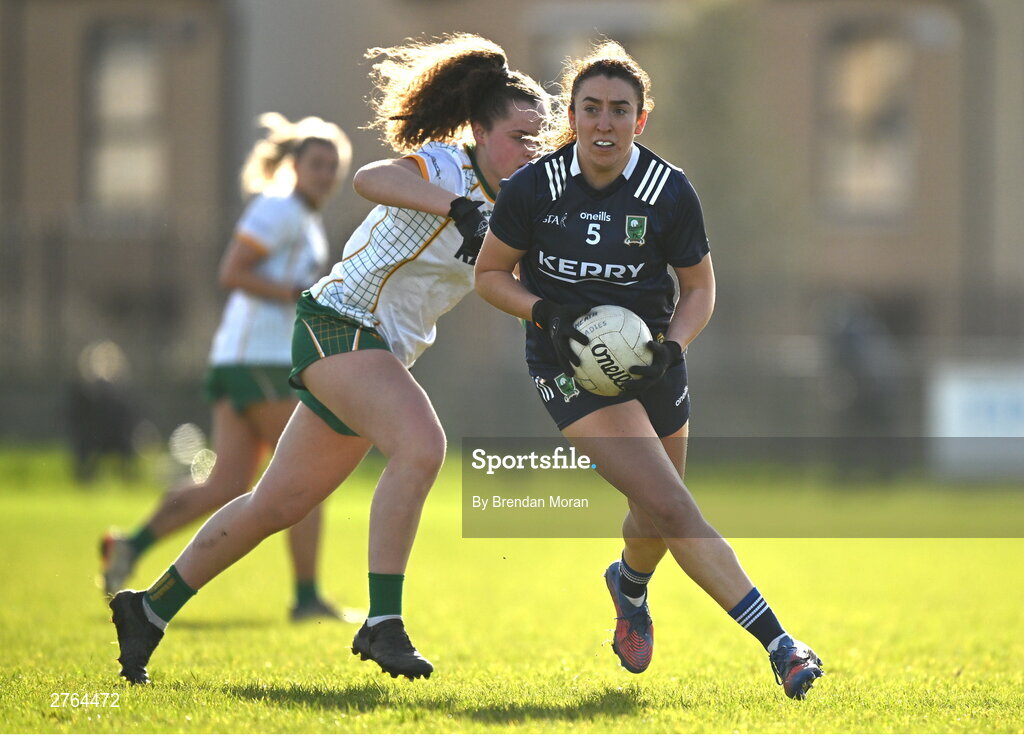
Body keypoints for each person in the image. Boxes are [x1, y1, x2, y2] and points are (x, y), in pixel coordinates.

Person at [108, 33, 547, 685]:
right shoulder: (447, 167)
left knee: (274, 505)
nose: (530, 150)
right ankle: (383, 621)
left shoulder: (518, 207)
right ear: (479, 131)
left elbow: (502, 285)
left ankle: (147, 608)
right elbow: (374, 178)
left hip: (377, 352)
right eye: (519, 135)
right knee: (422, 445)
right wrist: (454, 206)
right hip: (340, 322)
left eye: (540, 139)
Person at [474, 41, 825, 700]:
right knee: (672, 503)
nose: (604, 122)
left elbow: (700, 289)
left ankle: (628, 587)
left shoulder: (669, 191)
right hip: (568, 366)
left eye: (619, 110)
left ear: (641, 119)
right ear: (573, 115)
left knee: (655, 513)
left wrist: (674, 345)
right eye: (591, 108)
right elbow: (489, 276)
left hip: (653, 360)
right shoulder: (533, 188)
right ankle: (782, 643)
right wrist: (545, 311)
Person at [100, 113, 352, 622]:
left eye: (334, 166)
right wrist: (298, 295)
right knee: (309, 470)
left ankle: (129, 544)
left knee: (226, 484)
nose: (326, 173)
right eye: (317, 163)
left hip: (243, 360)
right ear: (294, 165)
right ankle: (306, 599)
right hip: (260, 358)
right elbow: (231, 270)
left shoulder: (302, 218)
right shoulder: (279, 209)